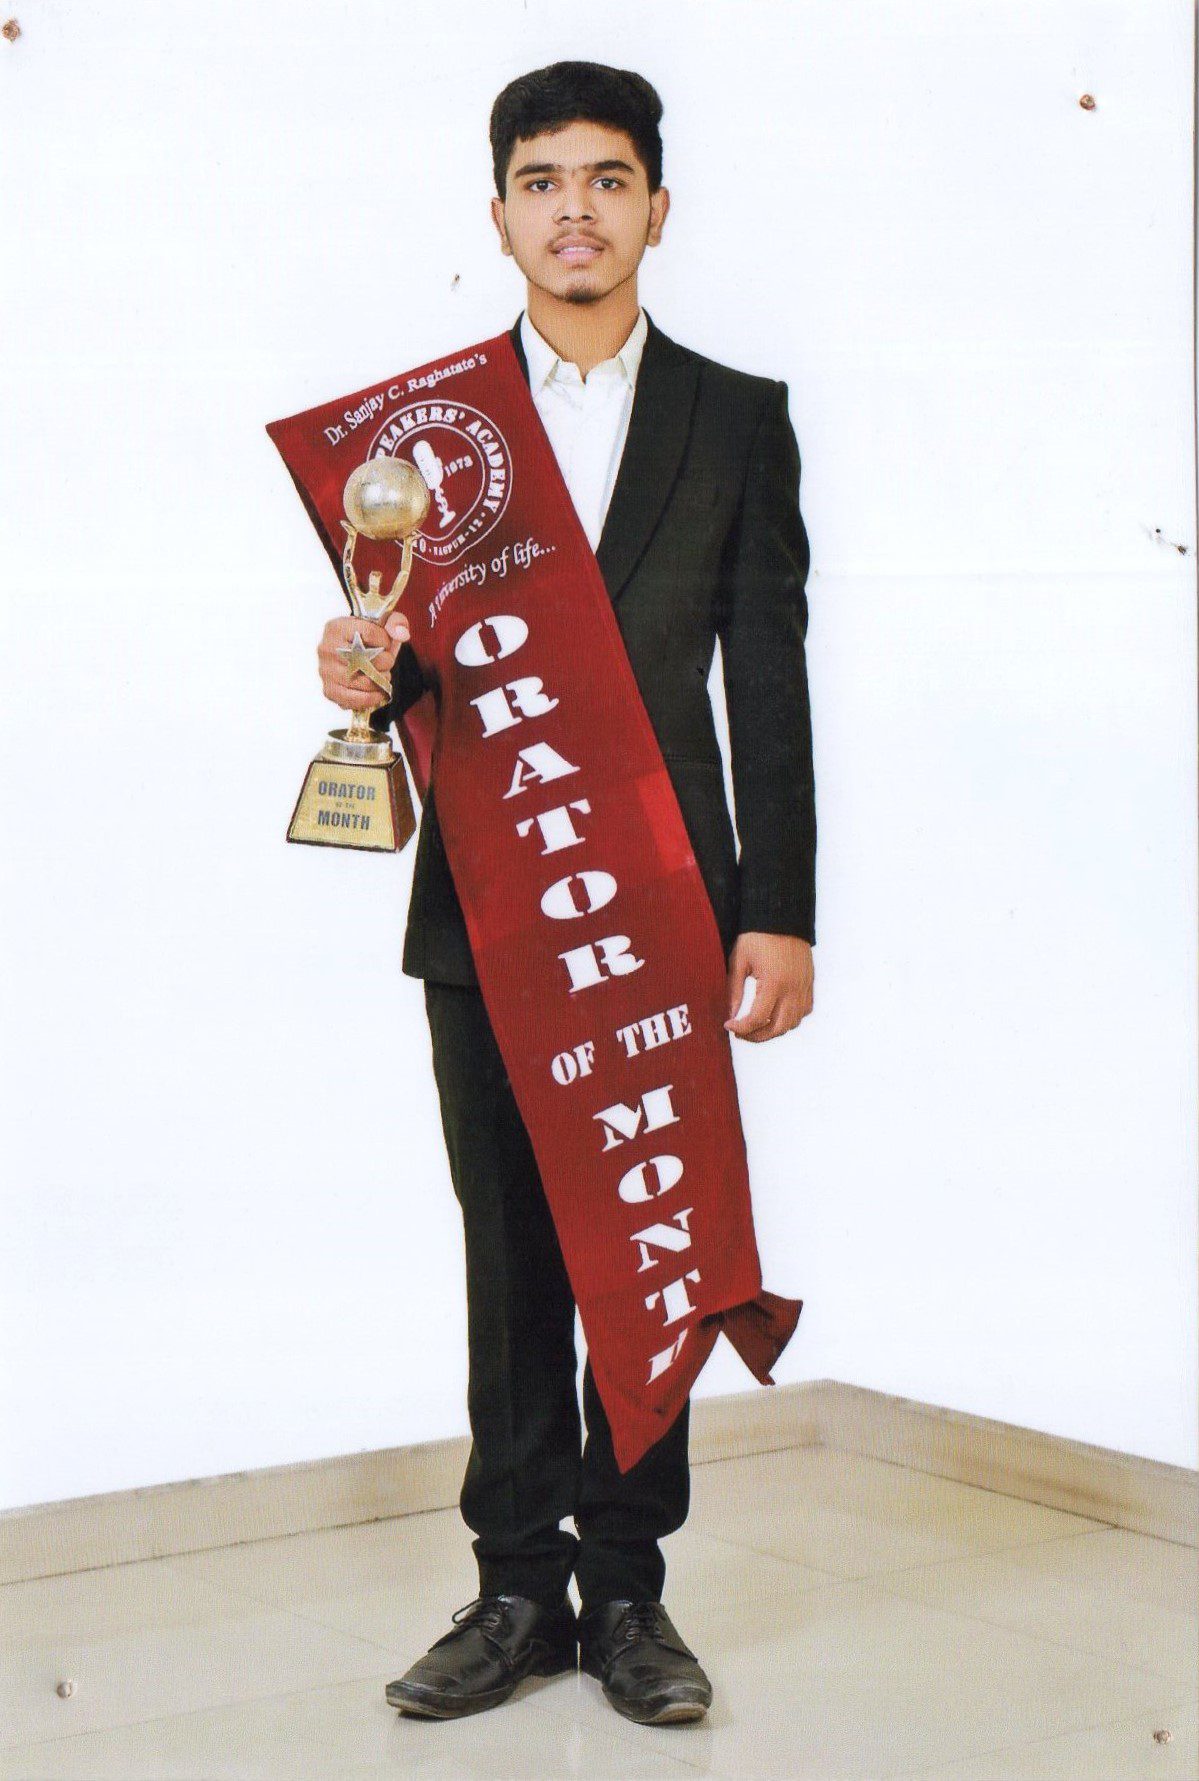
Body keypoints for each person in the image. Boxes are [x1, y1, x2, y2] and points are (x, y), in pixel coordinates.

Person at [315, 59, 816, 1728]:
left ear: (658, 209)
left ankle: (632, 1593)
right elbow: (418, 661)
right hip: (488, 901)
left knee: (649, 1246)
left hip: (664, 909)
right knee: (515, 1250)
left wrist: (780, 906)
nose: (576, 209)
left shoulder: (735, 416)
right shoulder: (430, 438)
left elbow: (769, 681)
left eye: (608, 179)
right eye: (543, 181)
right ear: (499, 214)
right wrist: (365, 667)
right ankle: (518, 1585)